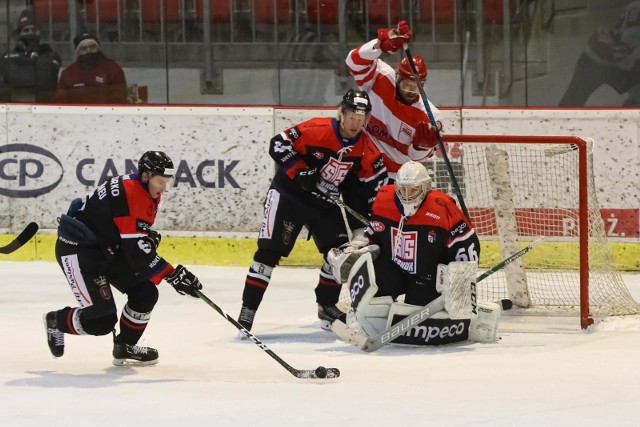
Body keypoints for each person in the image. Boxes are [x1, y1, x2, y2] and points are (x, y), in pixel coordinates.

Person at [237, 89, 388, 333]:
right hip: (289, 197)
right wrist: (299, 170)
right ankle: (248, 309)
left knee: (337, 255)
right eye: (352, 117)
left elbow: (373, 188)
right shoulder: (317, 129)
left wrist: (374, 220)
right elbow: (278, 143)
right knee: (268, 253)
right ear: (342, 113)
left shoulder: (366, 150)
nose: (356, 123)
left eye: (361, 119)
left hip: (324, 204)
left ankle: (326, 307)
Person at [44, 151, 203, 366]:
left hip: (108, 249)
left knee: (145, 293)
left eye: (166, 182)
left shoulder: (142, 188)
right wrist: (171, 274)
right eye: (160, 181)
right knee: (101, 322)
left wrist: (146, 239)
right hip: (80, 255)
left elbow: (131, 238)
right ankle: (57, 321)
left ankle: (125, 346)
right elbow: (137, 253)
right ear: (146, 176)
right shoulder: (132, 194)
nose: (163, 187)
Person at [328, 161, 502, 345]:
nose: (407, 195)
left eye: (413, 190)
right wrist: (358, 246)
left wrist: (459, 281)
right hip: (394, 268)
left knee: (420, 320)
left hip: (428, 276)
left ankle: (470, 322)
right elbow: (374, 234)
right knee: (366, 268)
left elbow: (467, 246)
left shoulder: (443, 208)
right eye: (402, 189)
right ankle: (361, 318)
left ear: (425, 187)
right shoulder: (384, 200)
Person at [345, 20, 442, 180]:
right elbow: (352, 62)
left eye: (416, 85)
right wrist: (380, 45)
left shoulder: (431, 115)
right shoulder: (380, 75)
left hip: (394, 178)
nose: (411, 90)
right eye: (406, 84)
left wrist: (421, 147)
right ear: (398, 77)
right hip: (360, 166)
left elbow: (416, 158)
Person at [559, 2, 640, 107]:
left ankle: (629, 116)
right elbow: (628, 38)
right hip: (599, 60)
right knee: (572, 101)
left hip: (597, 57)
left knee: (572, 100)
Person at [0, 9, 61, 103]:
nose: (30, 33)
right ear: (19, 34)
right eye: (26, 30)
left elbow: (44, 84)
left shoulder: (51, 56)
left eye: (34, 30)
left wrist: (16, 85)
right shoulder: (5, 57)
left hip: (43, 110)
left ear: (40, 33)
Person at [52, 32, 127, 104]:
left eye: (92, 47)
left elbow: (119, 99)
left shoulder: (113, 70)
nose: (88, 51)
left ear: (98, 48)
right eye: (84, 48)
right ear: (78, 51)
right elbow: (61, 102)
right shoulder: (68, 73)